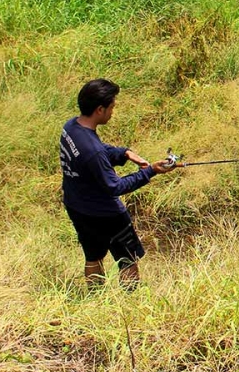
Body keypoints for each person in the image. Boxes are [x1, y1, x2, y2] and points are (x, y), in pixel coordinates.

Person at [60, 79, 174, 289]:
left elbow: (97, 151)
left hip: (76, 206)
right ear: (100, 109)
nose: (113, 111)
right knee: (128, 258)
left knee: (93, 256)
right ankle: (130, 301)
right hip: (106, 214)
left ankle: (94, 296)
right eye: (112, 107)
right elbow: (115, 187)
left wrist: (125, 153)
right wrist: (151, 171)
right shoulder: (92, 152)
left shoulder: (71, 127)